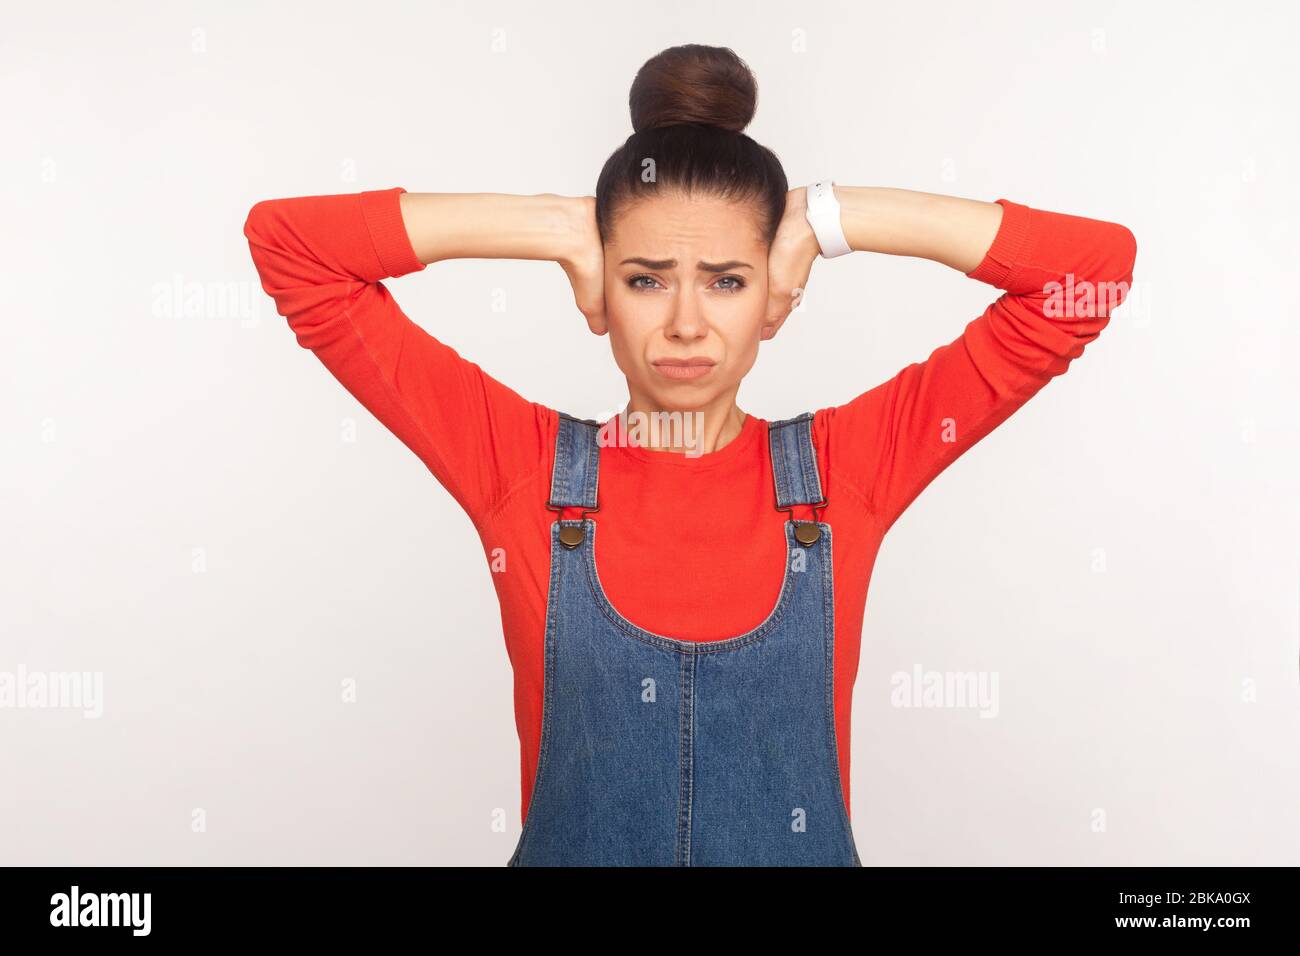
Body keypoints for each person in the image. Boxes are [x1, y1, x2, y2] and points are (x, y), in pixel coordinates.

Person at [243, 44, 1137, 866]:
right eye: (643, 279)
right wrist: (556, 226)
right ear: (600, 289)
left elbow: (1087, 274)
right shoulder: (516, 467)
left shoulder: (847, 473)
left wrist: (828, 217)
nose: (684, 324)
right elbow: (291, 248)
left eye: (727, 281)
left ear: (775, 295)